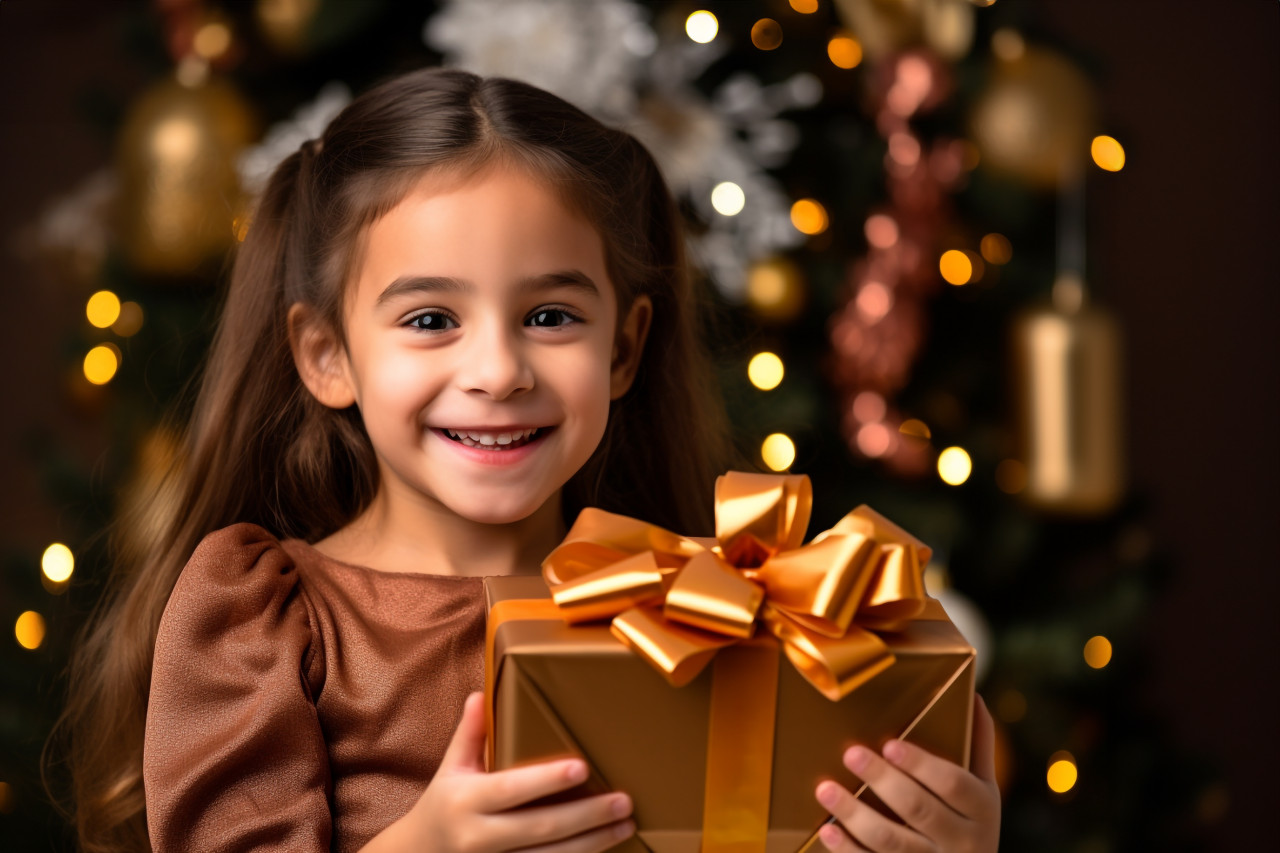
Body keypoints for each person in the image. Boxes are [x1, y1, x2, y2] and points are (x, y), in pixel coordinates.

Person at [55, 67, 999, 853]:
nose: (499, 370)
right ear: (327, 356)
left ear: (624, 349)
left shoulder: (708, 608)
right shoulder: (262, 617)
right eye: (431, 319)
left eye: (551, 316)